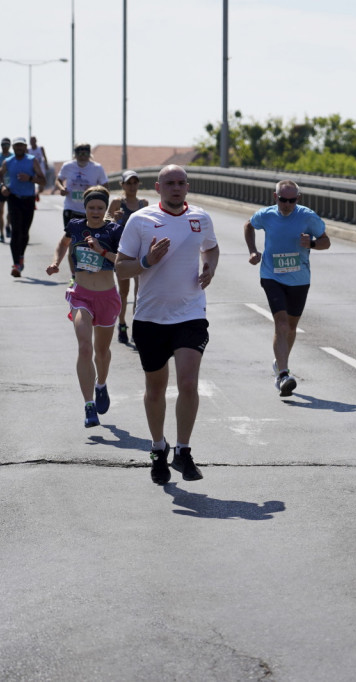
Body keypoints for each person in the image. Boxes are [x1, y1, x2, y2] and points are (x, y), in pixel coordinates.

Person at [115, 165, 219, 485]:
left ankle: (183, 451)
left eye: (180, 183)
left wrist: (209, 268)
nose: (176, 188)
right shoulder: (140, 220)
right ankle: (158, 448)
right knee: (156, 389)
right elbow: (120, 269)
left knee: (188, 384)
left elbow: (211, 248)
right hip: (150, 318)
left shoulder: (200, 218)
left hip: (190, 314)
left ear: (187, 187)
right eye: (169, 183)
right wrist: (147, 261)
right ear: (158, 187)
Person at [46, 186, 124, 428]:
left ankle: (101, 384)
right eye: (91, 207)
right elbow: (62, 243)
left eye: (100, 208)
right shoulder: (76, 226)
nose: (96, 211)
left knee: (102, 352)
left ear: (105, 208)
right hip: (81, 295)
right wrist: (56, 262)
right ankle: (89, 405)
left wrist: (102, 251)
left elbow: (124, 261)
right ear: (85, 208)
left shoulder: (114, 230)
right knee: (84, 348)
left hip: (107, 297)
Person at [244, 179, 330, 396]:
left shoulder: (307, 216)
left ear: (298, 199)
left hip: (299, 278)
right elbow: (248, 225)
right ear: (275, 198)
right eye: (283, 200)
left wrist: (311, 244)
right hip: (271, 275)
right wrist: (253, 251)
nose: (287, 204)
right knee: (281, 324)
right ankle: (283, 374)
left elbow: (326, 241)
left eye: (292, 200)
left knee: (291, 327)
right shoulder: (267, 215)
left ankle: (280, 363)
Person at [108, 169, 148, 345]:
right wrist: (113, 219)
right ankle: (122, 323)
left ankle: (137, 328)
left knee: (139, 293)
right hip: (123, 253)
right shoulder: (117, 202)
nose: (132, 186)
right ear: (122, 185)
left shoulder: (144, 203)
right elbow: (105, 222)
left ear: (139, 184)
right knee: (123, 293)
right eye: (128, 183)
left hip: (139, 253)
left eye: (135, 183)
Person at [0, 137, 45, 277]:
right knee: (15, 231)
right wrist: (3, 187)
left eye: (21, 146)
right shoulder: (8, 161)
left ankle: (21, 256)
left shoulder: (32, 160)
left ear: (25, 147)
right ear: (13, 147)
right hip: (14, 198)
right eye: (17, 146)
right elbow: (0, 175)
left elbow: (43, 180)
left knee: (24, 232)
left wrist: (30, 178)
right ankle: (16, 264)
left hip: (29, 199)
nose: (19, 148)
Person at [29, 135, 49, 200]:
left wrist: (46, 164)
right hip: (32, 170)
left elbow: (45, 156)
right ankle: (32, 197)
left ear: (36, 141)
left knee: (42, 187)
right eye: (31, 141)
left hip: (41, 169)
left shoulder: (40, 148)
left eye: (33, 140)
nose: (32, 142)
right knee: (31, 183)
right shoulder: (28, 150)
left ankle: (37, 193)